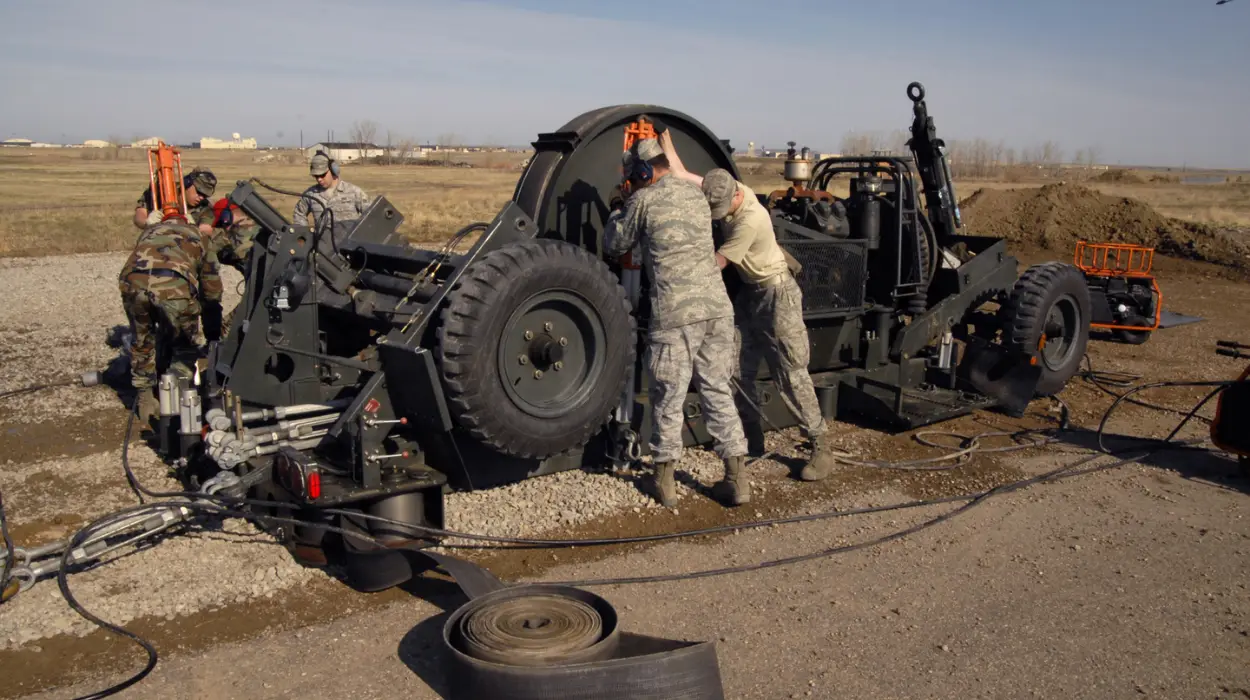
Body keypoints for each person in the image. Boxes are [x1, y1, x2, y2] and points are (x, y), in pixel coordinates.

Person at [659, 131, 838, 482]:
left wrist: (671, 265)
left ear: (736, 197)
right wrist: (664, 140)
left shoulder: (749, 220)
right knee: (733, 363)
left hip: (777, 296)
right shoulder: (726, 186)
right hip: (750, 295)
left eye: (721, 211)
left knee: (790, 371)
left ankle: (820, 445)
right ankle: (749, 438)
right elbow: (681, 173)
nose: (718, 216)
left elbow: (716, 264)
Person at [602, 137, 751, 507]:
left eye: (634, 178)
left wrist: (619, 205)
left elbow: (614, 244)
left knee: (667, 395)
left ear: (643, 172)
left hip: (675, 314)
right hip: (717, 308)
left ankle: (664, 483)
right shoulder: (695, 194)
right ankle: (737, 481)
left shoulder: (643, 199)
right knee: (717, 388)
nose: (633, 184)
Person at [118, 217, 223, 424]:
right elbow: (211, 290)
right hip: (173, 285)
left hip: (132, 281)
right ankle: (178, 402)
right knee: (184, 345)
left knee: (142, 339)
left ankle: (145, 399)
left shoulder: (151, 231)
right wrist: (213, 334)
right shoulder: (199, 236)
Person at [292, 151, 371, 229]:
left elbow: (372, 215)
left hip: (348, 241)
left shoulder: (353, 192)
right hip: (322, 241)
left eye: (322, 175)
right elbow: (299, 214)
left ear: (333, 170)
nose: (319, 179)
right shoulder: (311, 194)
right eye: (316, 176)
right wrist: (306, 236)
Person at [133, 168, 217, 235]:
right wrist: (146, 223)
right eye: (199, 192)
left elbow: (206, 229)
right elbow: (139, 216)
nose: (201, 197)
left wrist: (193, 228)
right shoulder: (161, 193)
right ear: (186, 183)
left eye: (205, 195)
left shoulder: (205, 207)